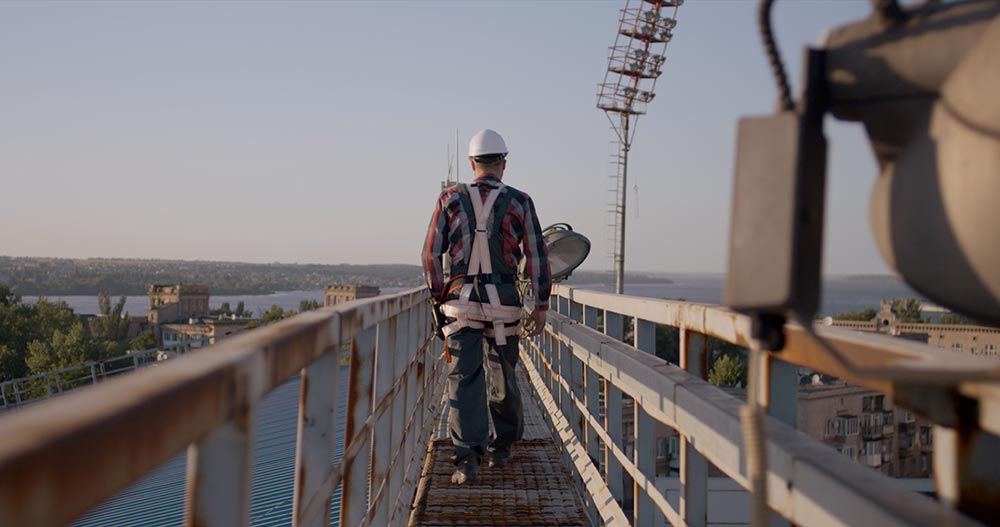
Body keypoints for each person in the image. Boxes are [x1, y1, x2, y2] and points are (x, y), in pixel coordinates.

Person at [422, 129, 551, 485]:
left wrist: (438, 295)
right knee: (504, 376)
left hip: (460, 305)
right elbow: (538, 255)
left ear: (471, 163)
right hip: (505, 307)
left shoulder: (449, 198)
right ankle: (501, 448)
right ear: (503, 164)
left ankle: (467, 459)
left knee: (464, 378)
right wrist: (540, 304)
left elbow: (431, 254)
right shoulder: (520, 201)